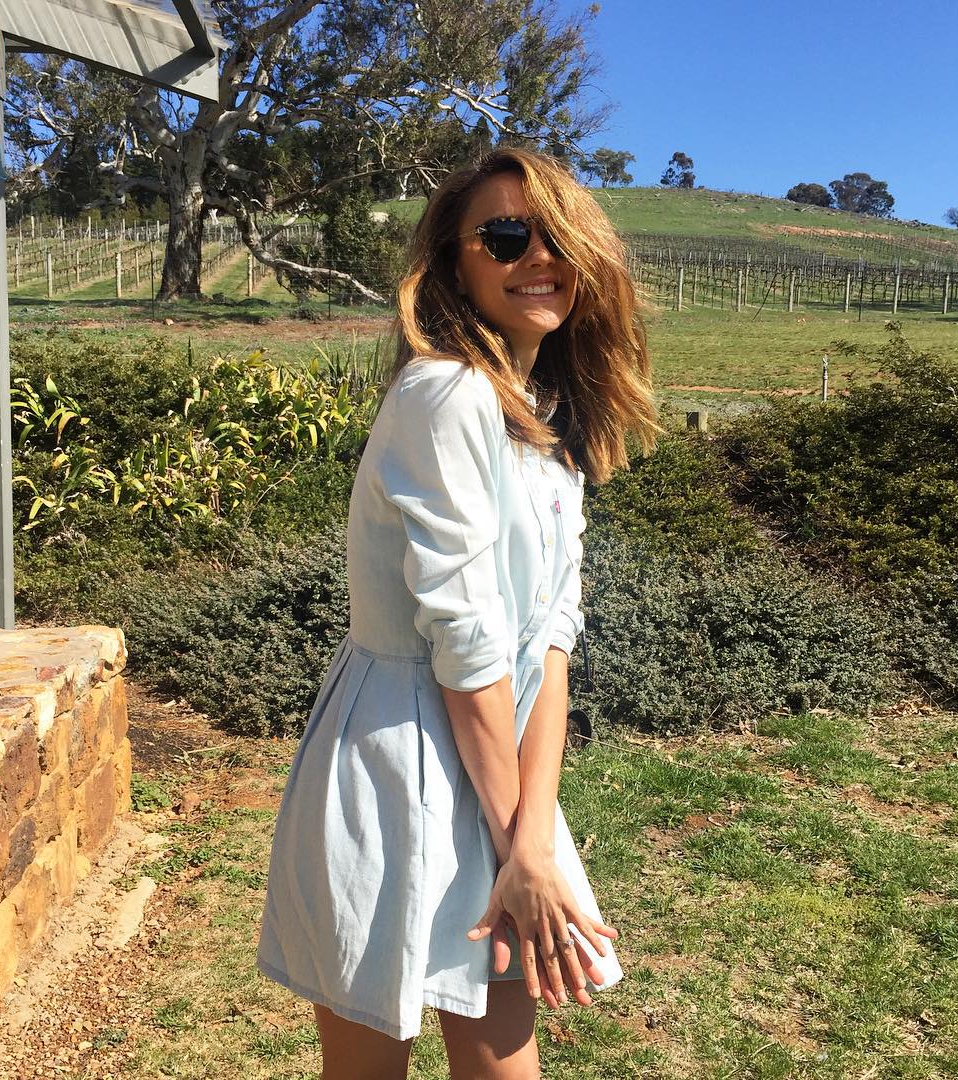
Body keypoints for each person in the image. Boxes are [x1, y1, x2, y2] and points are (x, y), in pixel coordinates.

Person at [256, 147, 661, 1079]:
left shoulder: (545, 417)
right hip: (398, 761)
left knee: (501, 1057)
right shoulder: (443, 395)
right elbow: (468, 645)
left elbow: (550, 640)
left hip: (500, 768)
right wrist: (523, 845)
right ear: (454, 262)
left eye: (556, 236)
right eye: (506, 237)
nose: (538, 257)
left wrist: (533, 838)